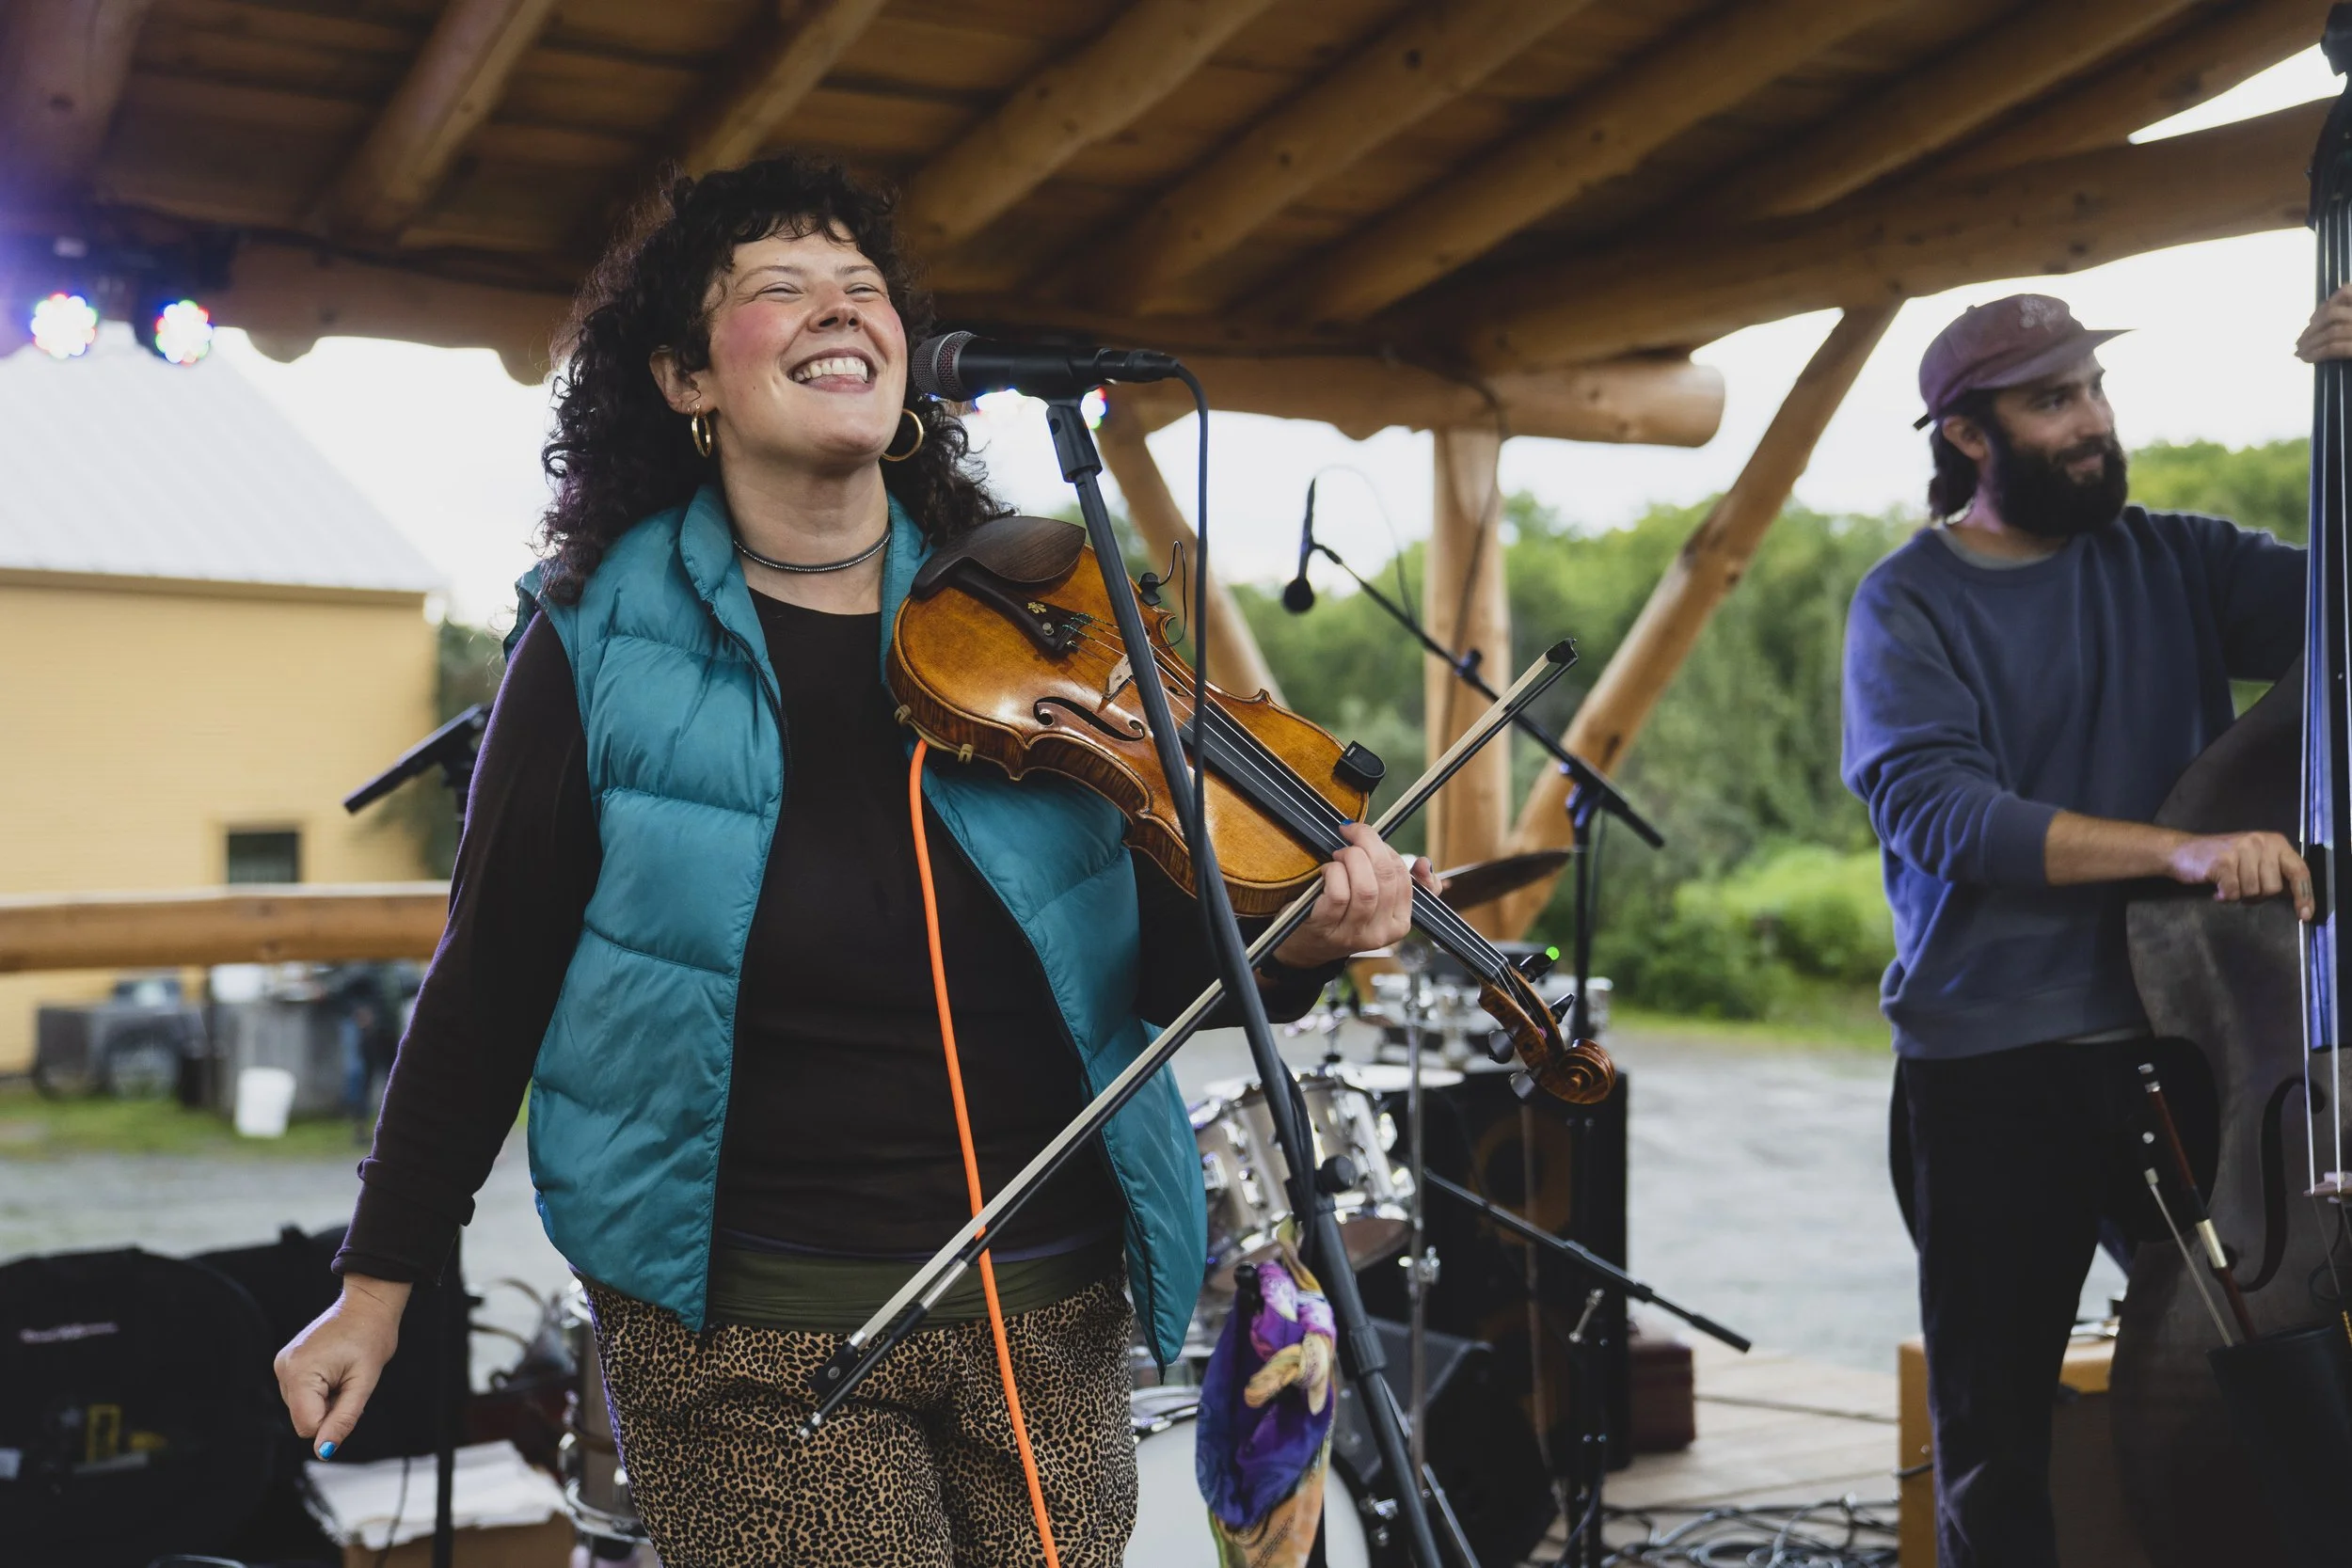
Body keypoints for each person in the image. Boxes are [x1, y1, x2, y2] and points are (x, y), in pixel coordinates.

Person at [270, 155, 1427, 1568]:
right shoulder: (596, 641)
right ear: (688, 378)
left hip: (1043, 1309)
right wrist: (377, 1282)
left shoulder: (1044, 622)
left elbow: (1135, 949)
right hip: (748, 1330)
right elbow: (489, 979)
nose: (841, 310)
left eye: (864, 289)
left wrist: (1300, 944)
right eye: (781, 288)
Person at [1839, 290, 2352, 1568]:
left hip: (2193, 1052)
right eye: (2053, 400)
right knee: (1996, 1436)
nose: (2093, 422)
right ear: (1966, 433)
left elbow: (2345, 610)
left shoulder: (2172, 556)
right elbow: (1948, 814)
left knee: (2272, 1371)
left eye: (2095, 391)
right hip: (1991, 1073)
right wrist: (2177, 849)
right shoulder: (1905, 605)